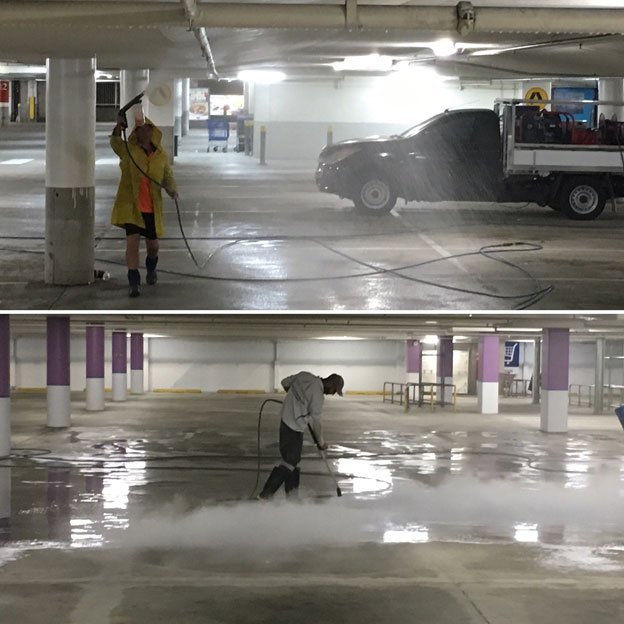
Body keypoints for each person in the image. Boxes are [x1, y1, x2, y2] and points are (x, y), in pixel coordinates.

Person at [110, 114, 178, 297]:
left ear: (151, 131)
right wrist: (118, 127)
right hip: (132, 207)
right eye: (137, 129)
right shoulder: (128, 150)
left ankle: (151, 268)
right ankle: (134, 281)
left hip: (151, 209)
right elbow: (115, 142)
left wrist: (172, 189)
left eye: (144, 129)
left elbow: (168, 175)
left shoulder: (161, 155)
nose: (140, 132)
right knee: (132, 244)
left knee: (153, 246)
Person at [258, 371, 344, 500]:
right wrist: (321, 443)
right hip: (293, 427)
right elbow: (317, 422)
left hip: (287, 422)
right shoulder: (318, 397)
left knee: (294, 461)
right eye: (334, 391)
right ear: (331, 384)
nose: (332, 393)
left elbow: (284, 383)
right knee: (290, 462)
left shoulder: (304, 375)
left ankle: (291, 497)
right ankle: (265, 495)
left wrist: (294, 400)